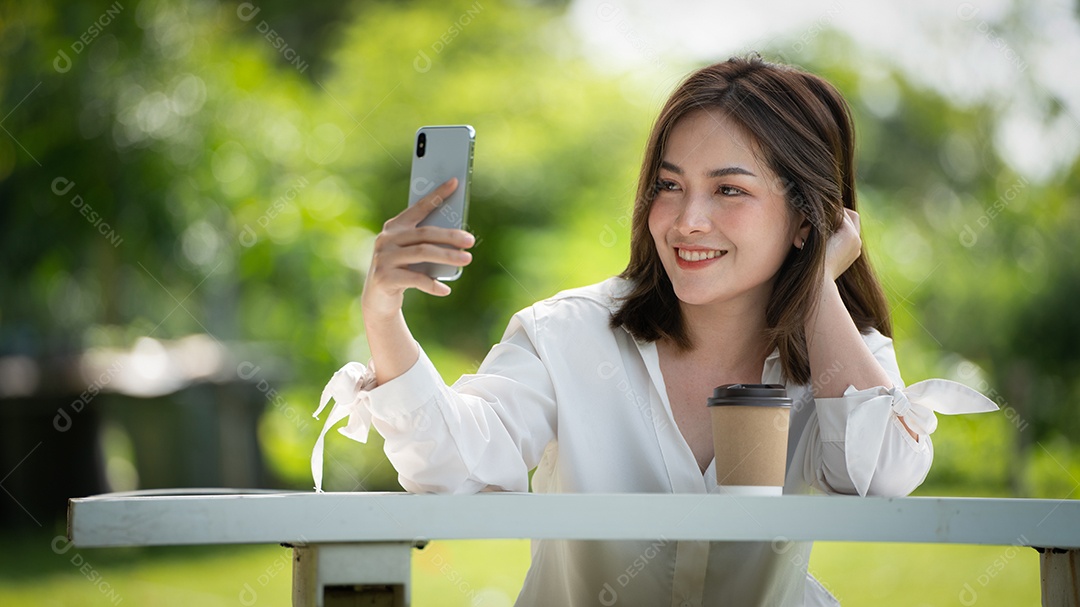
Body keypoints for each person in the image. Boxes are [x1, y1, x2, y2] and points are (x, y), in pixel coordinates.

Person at [311, 55, 997, 606]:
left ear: (804, 219)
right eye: (669, 186)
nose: (686, 219)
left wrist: (817, 283)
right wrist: (383, 312)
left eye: (728, 190)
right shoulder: (566, 336)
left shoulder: (837, 352)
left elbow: (880, 476)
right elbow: (452, 464)